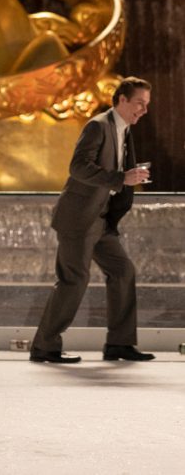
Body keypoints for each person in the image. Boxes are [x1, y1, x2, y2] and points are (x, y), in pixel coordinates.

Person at [30, 77, 156, 363]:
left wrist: (128, 176)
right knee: (73, 280)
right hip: (78, 219)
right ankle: (44, 347)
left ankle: (119, 344)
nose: (144, 110)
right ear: (122, 100)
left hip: (101, 221)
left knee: (123, 271)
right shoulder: (98, 125)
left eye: (147, 105)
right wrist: (121, 178)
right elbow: (78, 167)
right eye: (140, 103)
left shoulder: (124, 130)